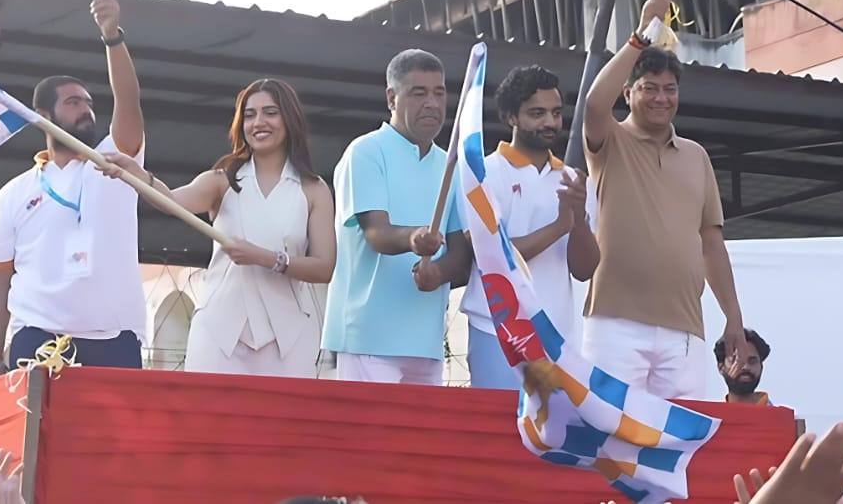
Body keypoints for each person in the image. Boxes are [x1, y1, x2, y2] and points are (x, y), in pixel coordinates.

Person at [0, 0, 173, 375]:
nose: (86, 110)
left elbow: (128, 102)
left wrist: (112, 36)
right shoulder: (14, 193)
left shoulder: (116, 163)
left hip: (114, 341)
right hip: (36, 340)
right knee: (38, 439)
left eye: (88, 103)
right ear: (41, 115)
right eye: (73, 103)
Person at [580, 0, 751, 399]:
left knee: (676, 448)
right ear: (629, 93)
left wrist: (733, 317)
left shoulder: (696, 156)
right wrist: (639, 35)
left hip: (685, 331)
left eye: (670, 89)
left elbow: (712, 245)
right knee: (611, 440)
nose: (661, 97)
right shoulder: (610, 140)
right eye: (649, 87)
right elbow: (593, 104)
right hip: (615, 325)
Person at [165, 78, 336, 378]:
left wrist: (266, 258)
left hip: (290, 337)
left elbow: (324, 267)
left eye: (270, 112)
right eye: (249, 114)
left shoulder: (313, 189)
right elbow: (170, 200)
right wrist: (134, 173)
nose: (258, 122)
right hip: (218, 334)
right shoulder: (222, 180)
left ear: (289, 118)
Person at [322, 49, 470, 385]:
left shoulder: (451, 165)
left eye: (439, 92)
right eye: (419, 93)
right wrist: (414, 238)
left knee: (420, 440)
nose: (432, 103)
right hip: (368, 336)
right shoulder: (365, 152)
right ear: (392, 97)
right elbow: (376, 233)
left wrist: (438, 272)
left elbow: (461, 253)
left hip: (427, 341)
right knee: (370, 439)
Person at [460, 65, 599, 390]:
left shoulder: (574, 180)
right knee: (496, 437)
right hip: (497, 331)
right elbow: (489, 254)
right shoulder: (484, 173)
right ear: (510, 116)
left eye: (555, 113)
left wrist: (577, 222)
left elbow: (585, 269)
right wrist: (560, 225)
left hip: (556, 336)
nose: (550, 122)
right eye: (537, 113)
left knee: (549, 441)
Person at [717, 327, 776, 405]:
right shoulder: (707, 416)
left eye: (752, 361)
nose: (745, 367)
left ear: (761, 367)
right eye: (736, 361)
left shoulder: (785, 417)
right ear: (721, 367)